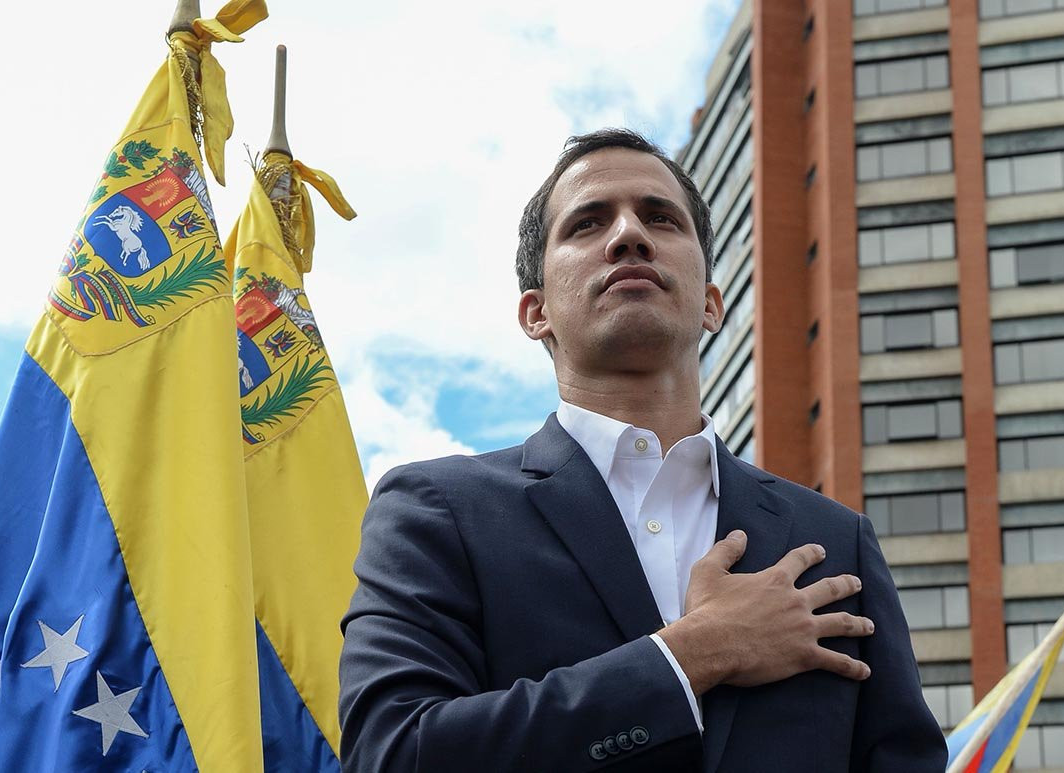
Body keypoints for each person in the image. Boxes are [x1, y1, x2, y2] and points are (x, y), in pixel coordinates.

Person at [339, 129, 947, 772]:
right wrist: (693, 654)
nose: (629, 235)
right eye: (587, 223)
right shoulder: (437, 510)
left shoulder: (837, 540)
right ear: (536, 313)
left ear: (711, 304)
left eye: (661, 218)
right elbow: (391, 753)